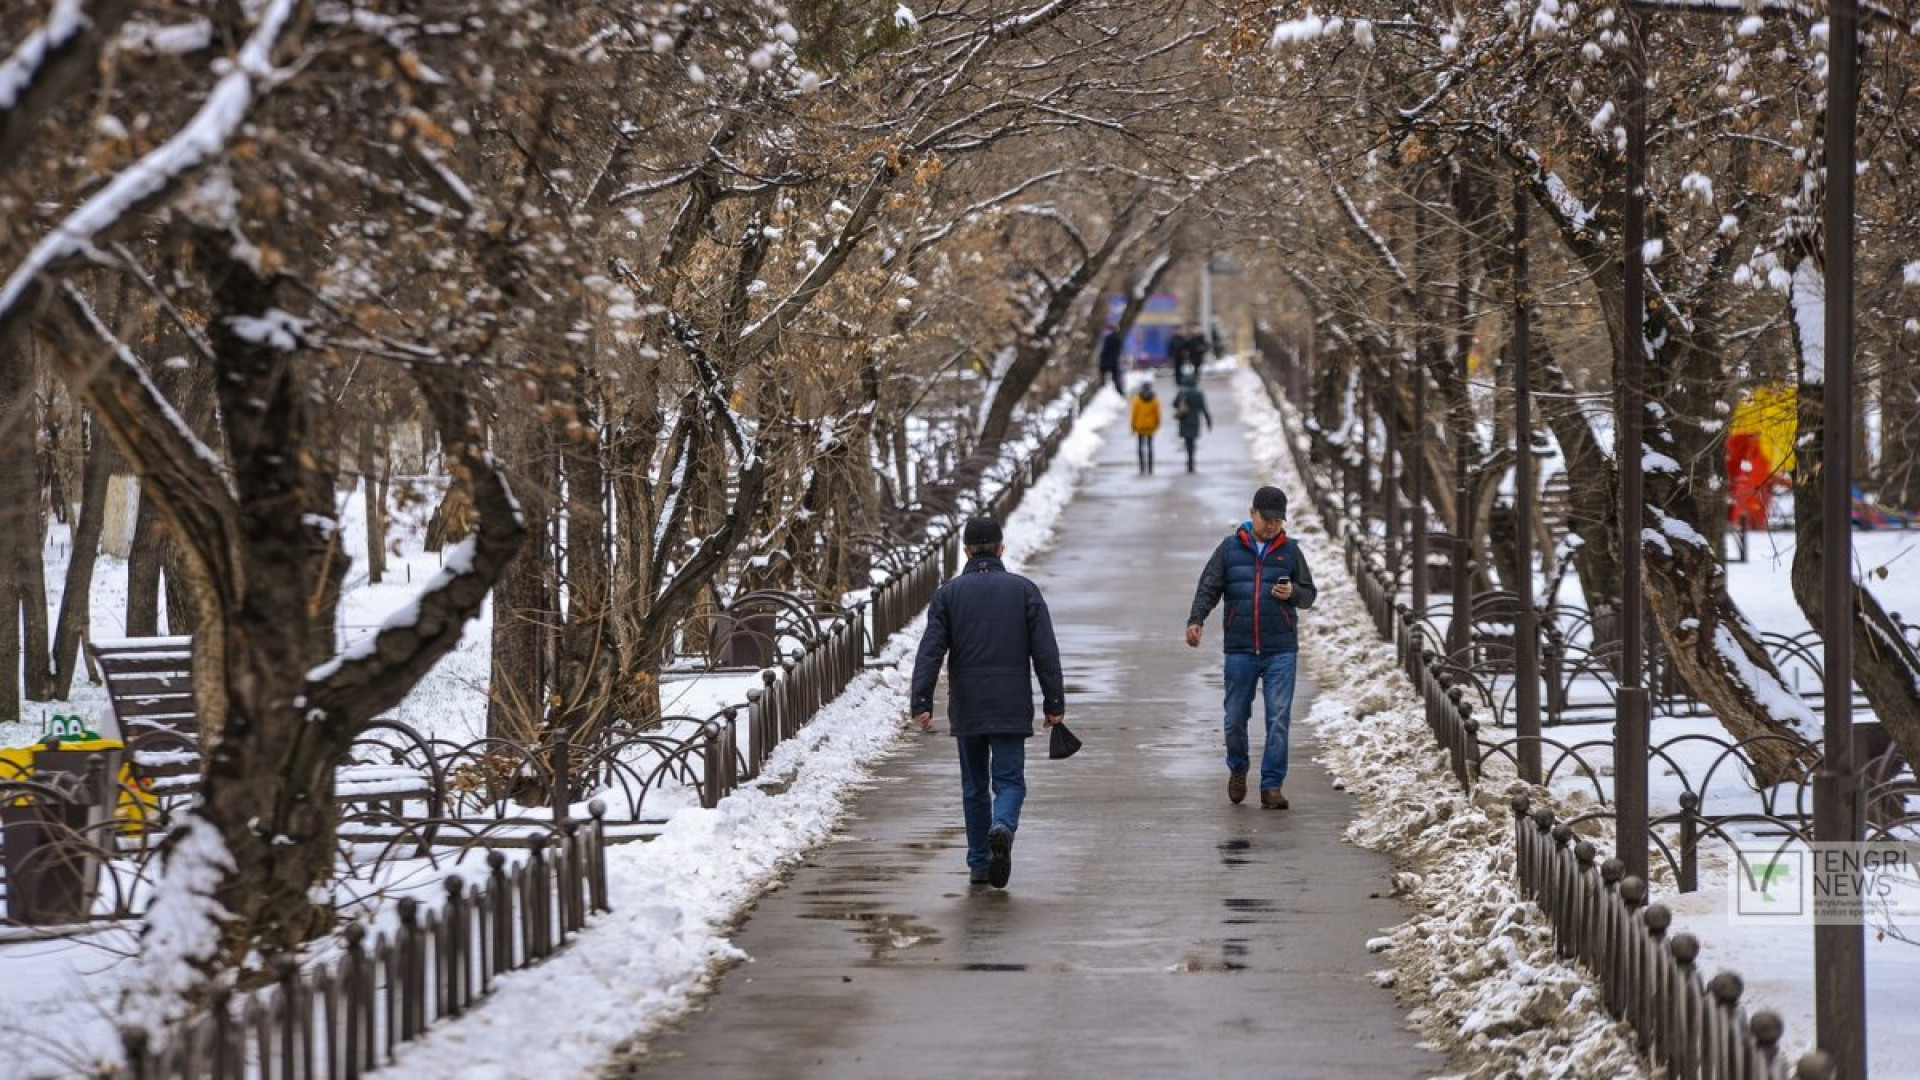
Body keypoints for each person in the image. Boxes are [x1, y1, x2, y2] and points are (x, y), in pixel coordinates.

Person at [911, 516, 1066, 889]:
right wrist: (1054, 701)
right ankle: (1003, 825)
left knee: (974, 786)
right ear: (1001, 548)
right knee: (1010, 782)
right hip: (1011, 705)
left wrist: (921, 699)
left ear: (965, 550)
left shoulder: (948, 595)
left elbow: (931, 650)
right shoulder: (1024, 591)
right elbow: (1045, 651)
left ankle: (980, 863)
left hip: (969, 706)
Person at [1184, 486, 1318, 809]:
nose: (1272, 525)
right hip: (1241, 648)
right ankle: (1239, 768)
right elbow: (1209, 586)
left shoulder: (1290, 551)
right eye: (1266, 518)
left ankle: (1271, 786)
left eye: (1277, 520)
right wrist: (1196, 619)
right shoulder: (1230, 550)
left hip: (1280, 649)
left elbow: (1309, 594)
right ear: (1252, 513)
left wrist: (1293, 595)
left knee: (1278, 718)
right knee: (1234, 718)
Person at [1172, 372, 1213, 473]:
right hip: (1195, 419)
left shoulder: (1181, 392)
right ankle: (1191, 459)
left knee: (1187, 440)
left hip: (1184, 419)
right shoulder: (1198, 393)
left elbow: (1174, 404)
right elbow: (1204, 408)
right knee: (1193, 440)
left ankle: (1189, 459)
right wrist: (1208, 421)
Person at [1130, 382, 1161, 475]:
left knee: (1140, 447)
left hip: (1140, 426)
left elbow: (1134, 414)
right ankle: (1150, 467)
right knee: (1150, 446)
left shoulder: (1137, 400)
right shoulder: (1155, 400)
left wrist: (1132, 426)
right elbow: (1157, 414)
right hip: (1150, 427)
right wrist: (1157, 424)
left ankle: (1141, 467)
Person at [1098, 329, 1126, 396]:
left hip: (1106, 360)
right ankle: (1120, 393)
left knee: (1103, 374)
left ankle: (1102, 387)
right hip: (1114, 361)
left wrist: (1102, 357)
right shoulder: (1118, 339)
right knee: (1116, 378)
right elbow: (1118, 350)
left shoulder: (1108, 338)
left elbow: (1105, 349)